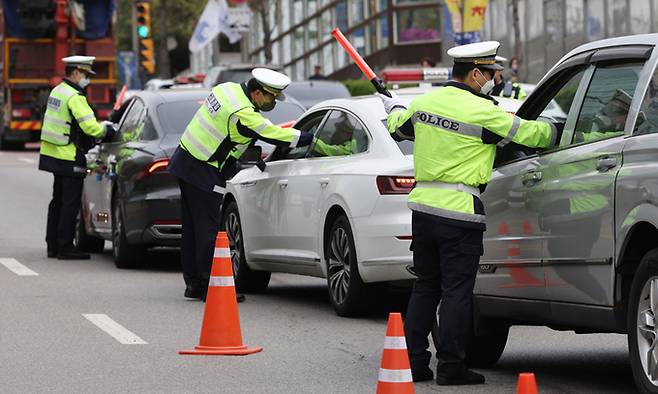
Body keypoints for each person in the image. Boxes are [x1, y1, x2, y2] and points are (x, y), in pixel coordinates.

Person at [378, 41, 562, 386]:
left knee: (425, 287)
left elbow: (397, 127)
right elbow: (534, 135)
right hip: (459, 212)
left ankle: (414, 363)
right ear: (476, 73)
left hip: (423, 210)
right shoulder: (483, 111)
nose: (497, 79)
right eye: (493, 73)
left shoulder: (424, 103)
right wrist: (561, 127)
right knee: (457, 293)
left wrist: (394, 106)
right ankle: (451, 366)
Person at [168, 68, 313, 301]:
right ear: (256, 93)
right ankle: (209, 286)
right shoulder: (243, 112)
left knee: (193, 229)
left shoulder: (227, 90)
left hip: (185, 159)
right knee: (207, 231)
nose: (273, 102)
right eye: (271, 97)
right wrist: (308, 137)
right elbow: (272, 133)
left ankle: (194, 284)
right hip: (204, 169)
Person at [39, 56, 115, 260]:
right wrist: (107, 131)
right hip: (69, 154)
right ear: (75, 73)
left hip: (53, 153)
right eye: (85, 75)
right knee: (70, 202)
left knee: (58, 200)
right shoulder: (75, 96)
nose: (87, 80)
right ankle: (65, 247)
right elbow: (90, 127)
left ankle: (52, 244)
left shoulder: (58, 91)